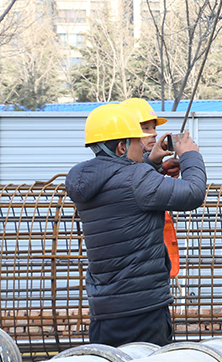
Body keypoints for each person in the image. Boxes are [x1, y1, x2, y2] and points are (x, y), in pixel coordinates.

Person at [66, 103, 206, 346]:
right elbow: (193, 193)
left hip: (104, 312)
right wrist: (189, 155)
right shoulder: (137, 178)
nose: (142, 146)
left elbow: (122, 185)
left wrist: (151, 165)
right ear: (121, 147)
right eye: (136, 141)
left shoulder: (81, 180)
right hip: (144, 310)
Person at [120, 98, 181, 277]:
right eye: (145, 128)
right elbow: (193, 193)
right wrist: (190, 156)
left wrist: (157, 167)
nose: (154, 133)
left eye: (154, 128)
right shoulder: (123, 175)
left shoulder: (121, 171)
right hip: (137, 273)